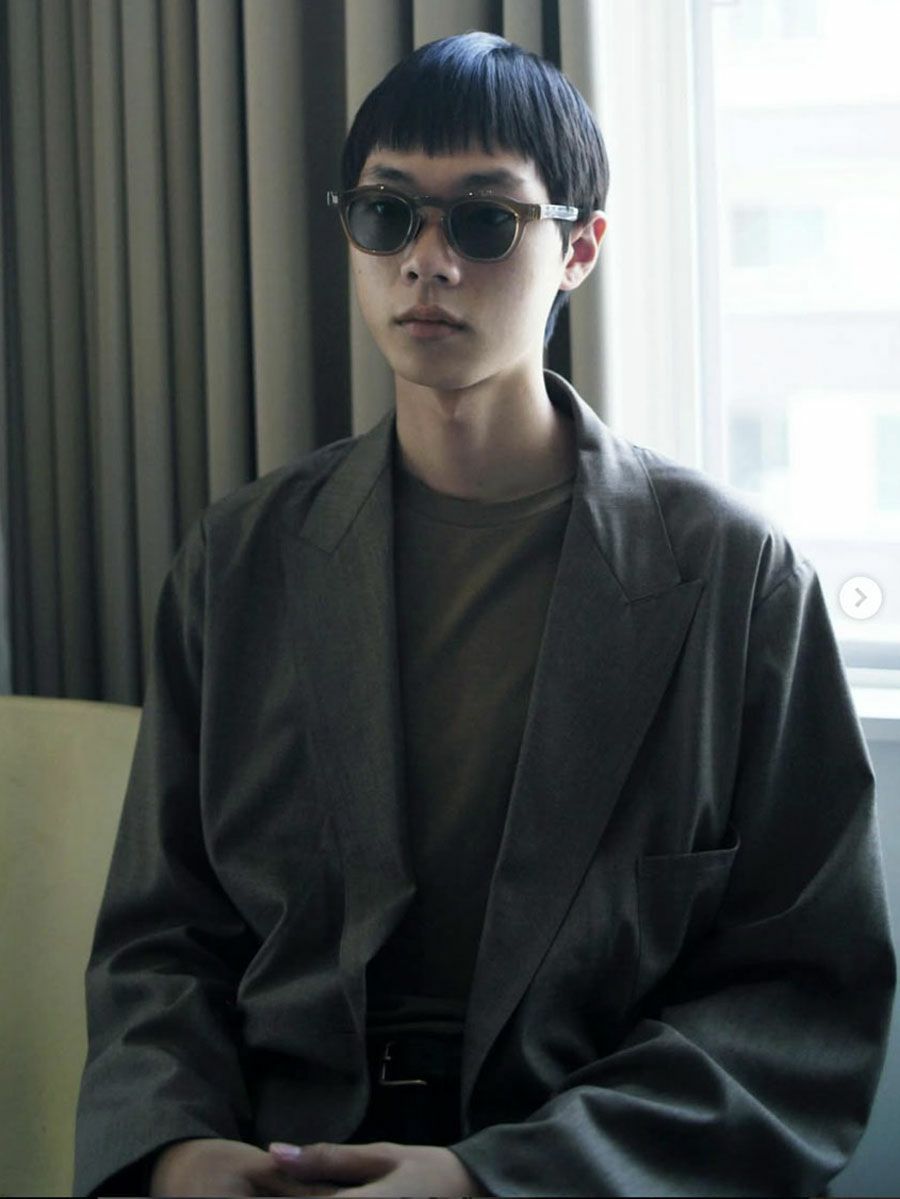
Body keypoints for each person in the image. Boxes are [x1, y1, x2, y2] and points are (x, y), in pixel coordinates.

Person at [74, 31, 895, 1198]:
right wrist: (174, 1150)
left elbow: (799, 995)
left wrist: (489, 1179)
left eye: (483, 221)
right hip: (276, 1154)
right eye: (386, 214)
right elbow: (162, 936)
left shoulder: (735, 579)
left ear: (580, 247)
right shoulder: (240, 561)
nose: (427, 260)